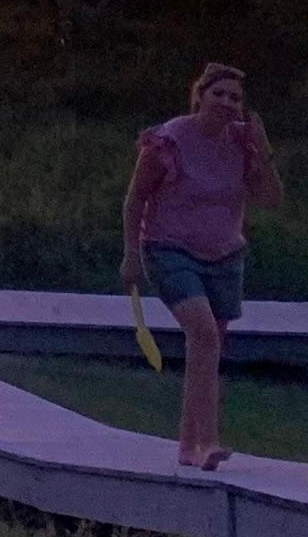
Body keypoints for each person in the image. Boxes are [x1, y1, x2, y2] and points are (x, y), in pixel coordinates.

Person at [121, 61, 282, 469]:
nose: (227, 102)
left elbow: (271, 199)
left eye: (235, 98)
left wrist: (263, 149)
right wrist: (131, 254)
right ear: (199, 95)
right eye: (218, 94)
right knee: (204, 334)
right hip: (169, 249)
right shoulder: (169, 139)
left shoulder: (242, 143)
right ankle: (208, 443)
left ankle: (188, 447)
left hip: (224, 255)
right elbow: (136, 199)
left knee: (209, 348)